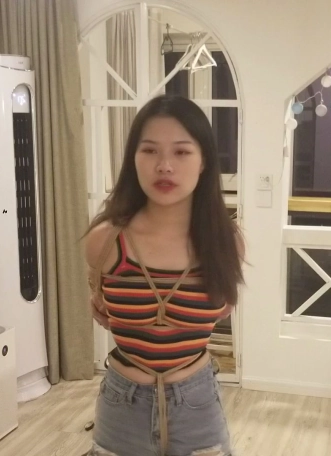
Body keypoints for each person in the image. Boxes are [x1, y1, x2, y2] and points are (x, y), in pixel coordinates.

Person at [84, 95, 245, 456]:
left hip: (197, 405)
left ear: (204, 161)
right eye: (150, 150)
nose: (165, 166)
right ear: (133, 158)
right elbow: (102, 307)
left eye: (182, 152)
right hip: (122, 406)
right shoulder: (105, 241)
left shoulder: (226, 243)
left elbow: (222, 307)